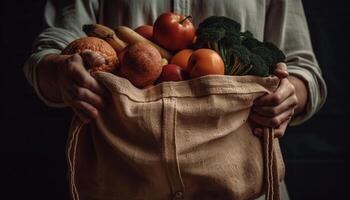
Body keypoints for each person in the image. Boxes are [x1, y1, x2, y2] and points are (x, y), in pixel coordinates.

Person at [24, 0, 327, 199]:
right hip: (123, 182)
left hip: (243, 185)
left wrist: (291, 95)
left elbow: (304, 68)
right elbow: (48, 51)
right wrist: (59, 72)